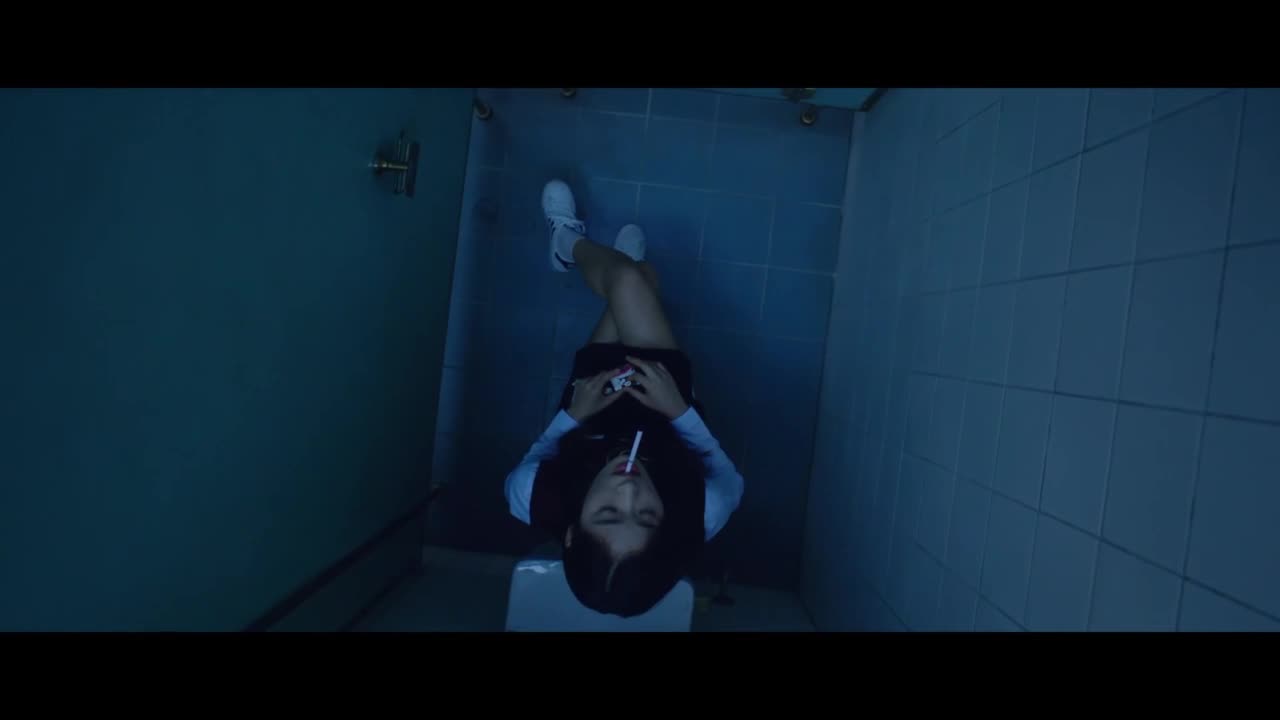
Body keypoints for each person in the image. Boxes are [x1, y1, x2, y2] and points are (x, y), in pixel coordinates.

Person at [503, 179, 745, 618]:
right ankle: (588, 255)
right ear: (667, 532)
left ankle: (567, 242)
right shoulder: (702, 513)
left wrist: (572, 416)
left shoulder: (531, 497)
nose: (630, 491)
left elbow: (539, 455)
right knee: (637, 280)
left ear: (572, 533)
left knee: (631, 282)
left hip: (593, 413)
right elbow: (728, 476)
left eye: (609, 512)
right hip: (665, 415)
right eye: (648, 516)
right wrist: (680, 411)